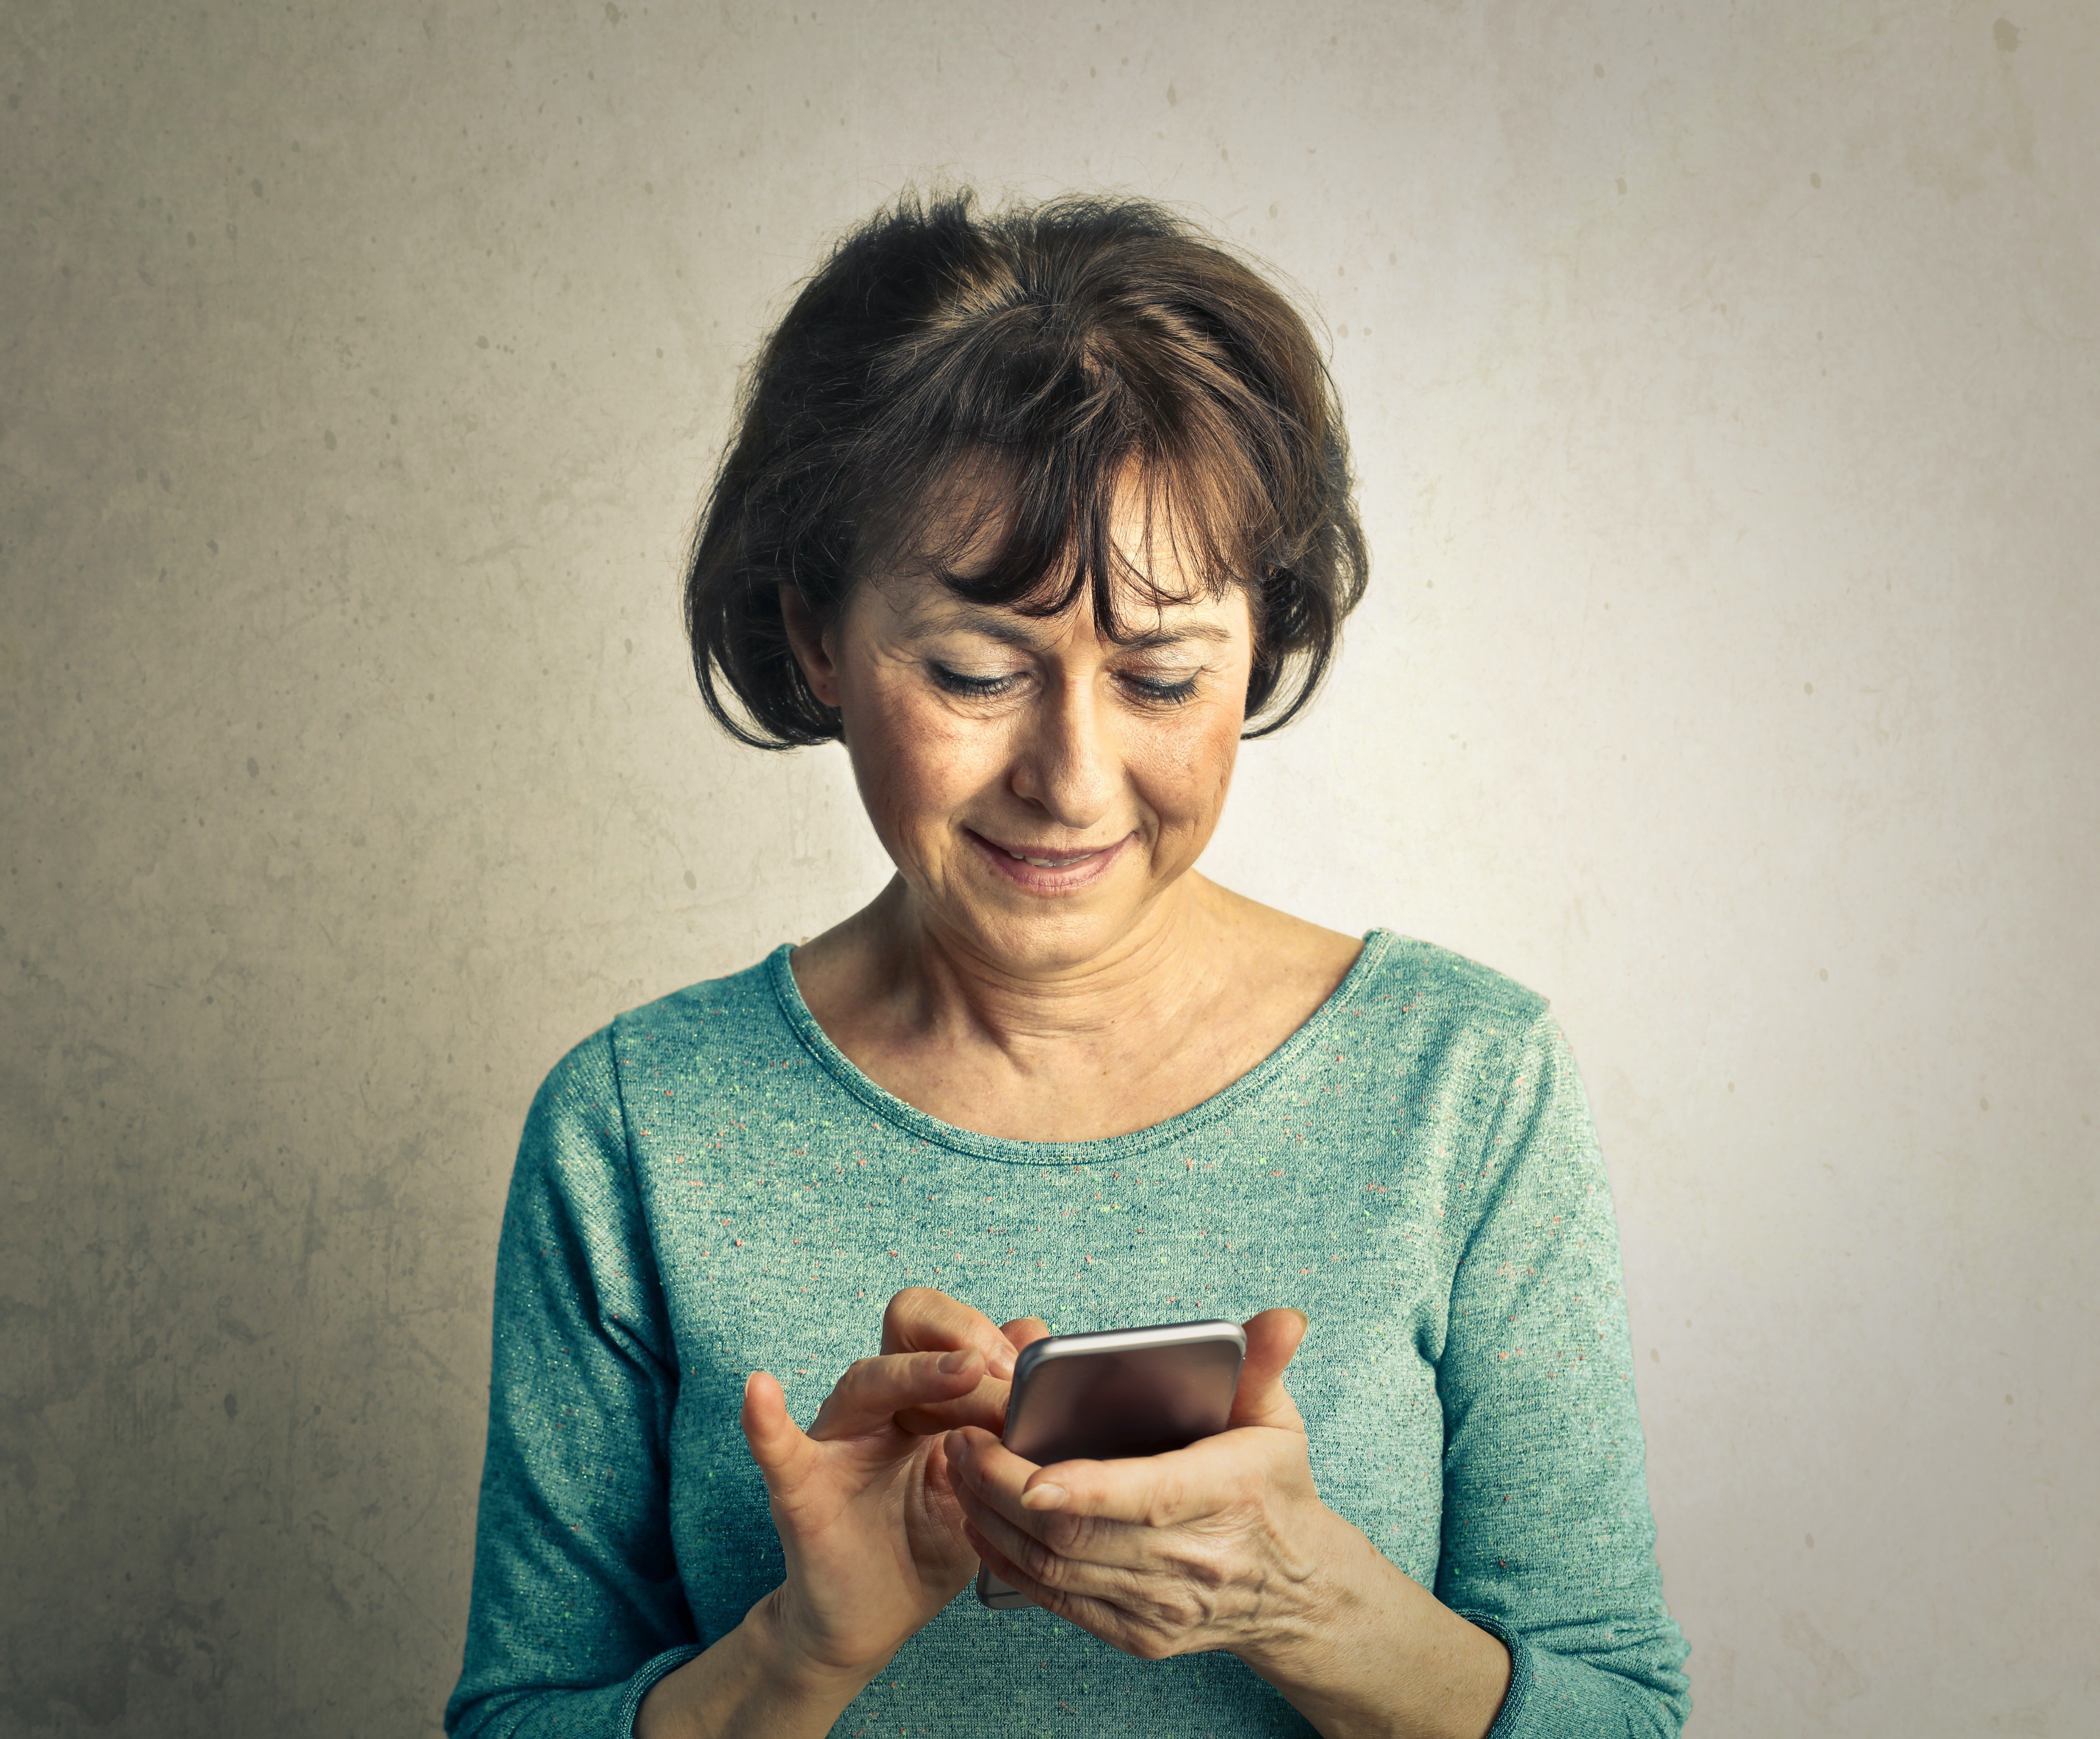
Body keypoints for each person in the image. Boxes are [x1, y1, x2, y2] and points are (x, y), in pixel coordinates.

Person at [444, 190, 1690, 1739]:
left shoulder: (1467, 1084)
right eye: (976, 672)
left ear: (1260, 649)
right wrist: (795, 1654)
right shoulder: (636, 1126)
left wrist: (1311, 1604)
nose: (1076, 778)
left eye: (1163, 676)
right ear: (818, 641)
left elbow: (1624, 1714)